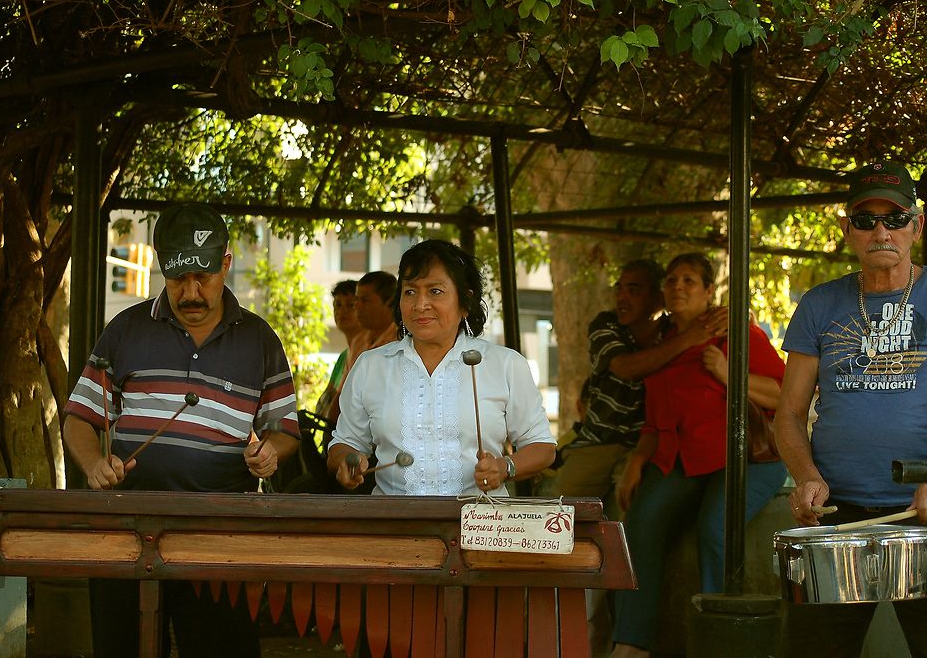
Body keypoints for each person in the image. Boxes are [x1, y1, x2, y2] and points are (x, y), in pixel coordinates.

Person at [63, 203, 300, 658]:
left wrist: (270, 452)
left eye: (204, 278)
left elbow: (284, 428)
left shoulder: (259, 340)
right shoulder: (126, 329)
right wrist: (94, 464)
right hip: (126, 532)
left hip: (218, 537)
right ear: (161, 268)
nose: (191, 292)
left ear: (226, 264)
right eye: (177, 280)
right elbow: (81, 417)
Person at [775, 160, 927, 658]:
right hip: (838, 516)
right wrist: (806, 476)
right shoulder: (820, 304)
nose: (881, 231)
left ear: (916, 225)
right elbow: (790, 414)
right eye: (866, 220)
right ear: (848, 230)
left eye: (895, 217)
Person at [611, 252, 787, 658]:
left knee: (716, 529)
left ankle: (716, 641)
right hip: (682, 458)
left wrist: (728, 372)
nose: (677, 287)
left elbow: (783, 394)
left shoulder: (736, 332)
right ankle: (631, 644)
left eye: (689, 281)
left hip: (749, 458)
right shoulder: (659, 340)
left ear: (710, 291)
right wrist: (638, 460)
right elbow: (656, 419)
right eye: (671, 280)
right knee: (638, 523)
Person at [554, 258, 727, 658]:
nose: (621, 296)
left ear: (655, 299)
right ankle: (557, 630)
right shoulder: (607, 325)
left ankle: (620, 639)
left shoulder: (676, 328)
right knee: (555, 518)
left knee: (627, 532)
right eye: (620, 287)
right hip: (599, 441)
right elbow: (626, 369)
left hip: (647, 445)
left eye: (634, 289)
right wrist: (690, 338)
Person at [326, 239, 556, 495]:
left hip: (479, 526)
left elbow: (542, 447)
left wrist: (505, 467)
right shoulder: (371, 365)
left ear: (465, 301)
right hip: (396, 523)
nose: (420, 304)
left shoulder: (505, 365)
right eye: (410, 292)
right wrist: (349, 462)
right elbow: (345, 443)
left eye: (435, 291)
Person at [326, 270, 398, 421]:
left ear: (389, 302)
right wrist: (329, 430)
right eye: (357, 301)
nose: (357, 307)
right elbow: (343, 395)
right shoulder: (359, 342)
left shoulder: (403, 341)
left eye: (365, 301)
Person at [314, 279, 363, 417]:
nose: (342, 311)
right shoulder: (344, 356)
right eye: (338, 305)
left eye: (350, 305)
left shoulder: (370, 353)